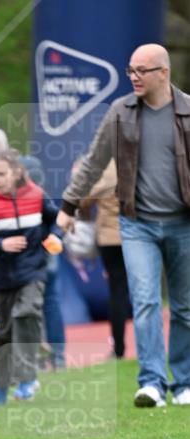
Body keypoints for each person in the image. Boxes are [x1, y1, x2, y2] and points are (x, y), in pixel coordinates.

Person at [57, 43, 190, 408]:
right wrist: (68, 205)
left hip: (183, 224)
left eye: (141, 70)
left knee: (184, 307)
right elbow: (93, 161)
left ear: (163, 73)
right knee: (145, 301)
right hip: (137, 224)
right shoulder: (120, 112)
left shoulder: (188, 111)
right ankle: (150, 382)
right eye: (130, 69)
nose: (133, 76)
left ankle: (184, 383)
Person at [0, 126, 66, 370]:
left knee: (32, 306)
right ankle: (52, 356)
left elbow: (48, 211)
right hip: (14, 259)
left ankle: (44, 354)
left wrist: (53, 235)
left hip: (36, 254)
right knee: (41, 305)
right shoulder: (21, 170)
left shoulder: (20, 177)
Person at [78, 159, 132, 359]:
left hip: (109, 238)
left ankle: (119, 348)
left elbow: (84, 200)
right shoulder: (138, 161)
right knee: (145, 291)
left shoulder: (103, 169)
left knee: (117, 292)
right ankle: (151, 346)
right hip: (139, 235)